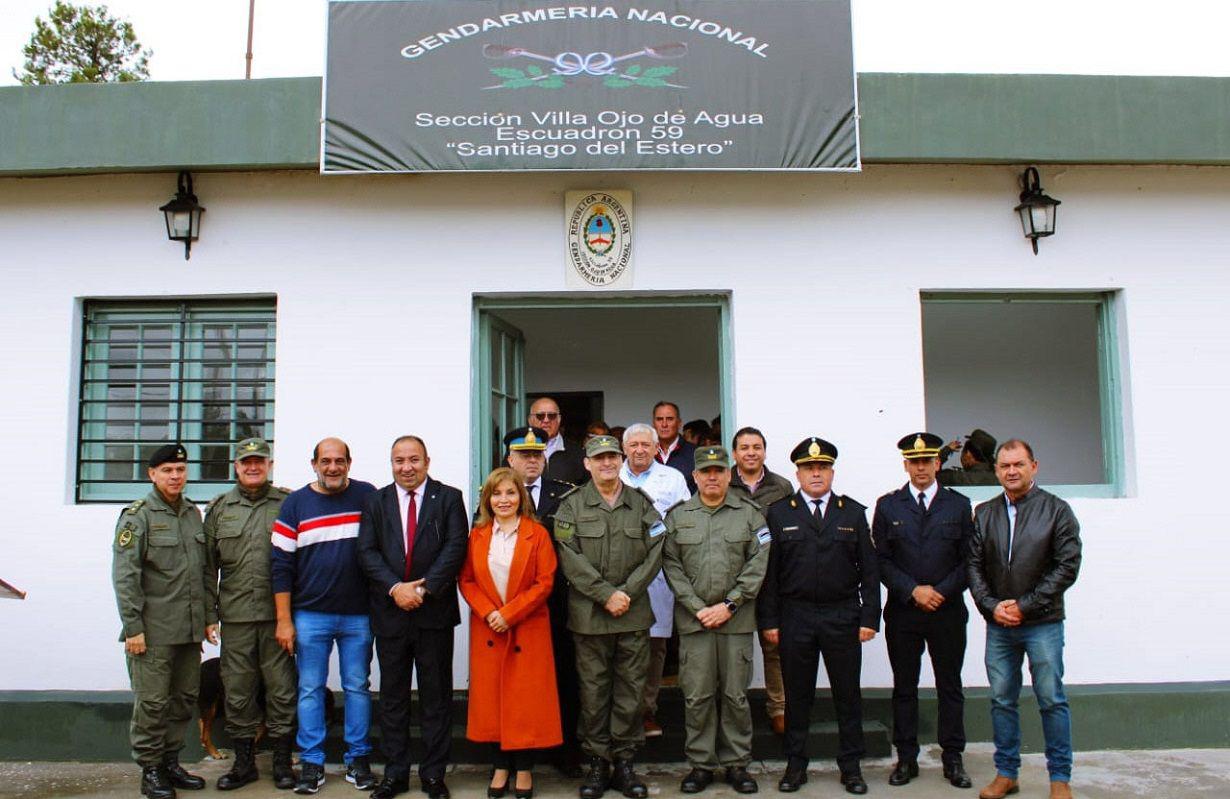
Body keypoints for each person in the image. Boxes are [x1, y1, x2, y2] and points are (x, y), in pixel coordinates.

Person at [758, 437, 879, 796]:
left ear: (831, 472)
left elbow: (869, 572)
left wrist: (869, 618)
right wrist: (770, 621)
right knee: (798, 696)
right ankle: (796, 765)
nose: (816, 473)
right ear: (797, 472)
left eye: (822, 467)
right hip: (796, 616)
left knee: (847, 694)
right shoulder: (780, 513)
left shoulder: (852, 513)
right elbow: (770, 574)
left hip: (842, 614)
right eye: (809, 468)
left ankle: (851, 766)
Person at [356, 436, 469, 799]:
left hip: (433, 613)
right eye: (399, 460)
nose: (406, 467)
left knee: (436, 698)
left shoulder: (448, 497)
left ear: (427, 461)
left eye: (413, 460)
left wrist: (422, 589)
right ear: (391, 463)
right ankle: (396, 773)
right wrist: (396, 588)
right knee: (392, 697)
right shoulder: (376, 500)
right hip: (391, 613)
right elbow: (366, 550)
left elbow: (456, 546)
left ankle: (434, 775)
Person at [968, 440, 1082, 799]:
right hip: (999, 625)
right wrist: (992, 605)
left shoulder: (1057, 510)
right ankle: (1006, 773)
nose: (1011, 472)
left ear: (1034, 466)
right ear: (997, 470)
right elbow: (973, 566)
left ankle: (1059, 779)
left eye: (1018, 464)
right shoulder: (984, 513)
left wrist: (1025, 605)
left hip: (1043, 623)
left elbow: (1067, 566)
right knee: (1002, 700)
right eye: (1004, 466)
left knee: (1051, 699)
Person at [553, 435, 664, 799]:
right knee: (594, 692)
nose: (606, 464)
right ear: (587, 463)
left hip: (631, 615)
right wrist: (605, 594)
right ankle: (598, 763)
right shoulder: (571, 506)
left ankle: (625, 763)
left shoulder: (642, 504)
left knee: (630, 692)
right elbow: (568, 555)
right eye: (599, 459)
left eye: (612, 457)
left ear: (621, 460)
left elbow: (657, 549)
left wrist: (626, 594)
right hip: (590, 616)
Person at [271, 438, 378, 795]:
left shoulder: (368, 496)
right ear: (313, 463)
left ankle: (358, 759)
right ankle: (312, 763)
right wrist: (284, 620)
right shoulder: (295, 504)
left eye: (339, 461)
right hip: (310, 614)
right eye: (326, 461)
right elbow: (281, 565)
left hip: (358, 615)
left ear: (350, 462)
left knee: (357, 687)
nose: (333, 467)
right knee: (310, 689)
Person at [662, 446, 770, 795]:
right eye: (705, 471)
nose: (712, 477)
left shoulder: (749, 515)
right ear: (694, 476)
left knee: (736, 695)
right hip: (695, 624)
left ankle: (737, 763)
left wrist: (729, 604)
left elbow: (758, 563)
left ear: (728, 475)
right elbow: (671, 566)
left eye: (718, 471)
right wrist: (697, 607)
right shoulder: (678, 517)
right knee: (697, 695)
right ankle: (701, 764)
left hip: (735, 621)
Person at [112, 443, 215, 799]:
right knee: (153, 703)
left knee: (183, 698)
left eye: (180, 470)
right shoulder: (136, 516)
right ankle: (151, 769)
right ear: (152, 474)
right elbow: (126, 576)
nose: (175, 476)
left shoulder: (191, 513)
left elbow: (202, 571)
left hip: (187, 629)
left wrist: (206, 618)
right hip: (152, 631)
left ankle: (171, 761)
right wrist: (133, 628)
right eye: (168, 470)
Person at [872, 433, 974, 789]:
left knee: (950, 686)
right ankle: (906, 758)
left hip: (946, 610)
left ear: (937, 463)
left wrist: (940, 592)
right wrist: (912, 590)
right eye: (913, 461)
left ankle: (953, 758)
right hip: (904, 611)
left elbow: (968, 560)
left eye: (926, 460)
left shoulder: (958, 505)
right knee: (904, 687)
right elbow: (881, 561)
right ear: (905, 465)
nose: (920, 467)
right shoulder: (888, 506)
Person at [459, 467, 562, 799]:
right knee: (493, 702)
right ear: (488, 499)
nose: (504, 500)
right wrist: (490, 612)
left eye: (511, 493)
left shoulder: (537, 533)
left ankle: (524, 770)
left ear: (522, 497)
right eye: (497, 494)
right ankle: (500, 765)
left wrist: (510, 613)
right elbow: (467, 580)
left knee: (525, 702)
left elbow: (544, 582)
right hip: (489, 628)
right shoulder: (477, 535)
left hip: (526, 627)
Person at [203, 438, 297, 791]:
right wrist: (209, 615)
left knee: (282, 689)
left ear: (269, 465)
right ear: (236, 467)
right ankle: (244, 764)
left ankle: (282, 762)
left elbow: (300, 562)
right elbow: (206, 567)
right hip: (236, 616)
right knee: (238, 691)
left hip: (279, 617)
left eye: (260, 461)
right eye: (246, 462)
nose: (253, 467)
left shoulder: (288, 504)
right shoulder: (219, 509)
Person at [502, 426, 582, 776]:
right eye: (525, 454)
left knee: (564, 676)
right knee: (518, 682)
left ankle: (564, 750)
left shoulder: (566, 494)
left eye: (538, 454)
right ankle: (521, 752)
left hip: (558, 602)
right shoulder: (496, 496)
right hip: (513, 607)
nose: (532, 460)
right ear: (510, 459)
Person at [618, 423, 691, 738]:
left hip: (659, 575)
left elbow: (685, 521)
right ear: (625, 449)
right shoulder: (610, 475)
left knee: (654, 648)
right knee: (621, 648)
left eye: (645, 445)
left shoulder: (672, 478)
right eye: (633, 445)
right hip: (619, 575)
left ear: (655, 447)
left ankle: (647, 711)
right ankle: (623, 715)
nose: (639, 450)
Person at [727, 427, 794, 735]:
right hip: (733, 576)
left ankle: (778, 707)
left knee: (774, 645)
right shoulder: (723, 482)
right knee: (735, 649)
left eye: (756, 447)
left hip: (774, 575)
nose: (750, 452)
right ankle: (732, 710)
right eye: (744, 447)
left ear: (765, 451)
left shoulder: (781, 486)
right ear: (735, 453)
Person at [531, 396, 588, 485]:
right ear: (530, 420)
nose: (546, 420)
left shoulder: (578, 454)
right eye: (540, 416)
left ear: (559, 419)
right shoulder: (517, 452)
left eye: (552, 416)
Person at [652, 401, 697, 493]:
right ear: (653, 424)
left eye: (669, 419)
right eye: (659, 419)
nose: (664, 424)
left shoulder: (695, 453)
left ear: (679, 423)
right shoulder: (644, 454)